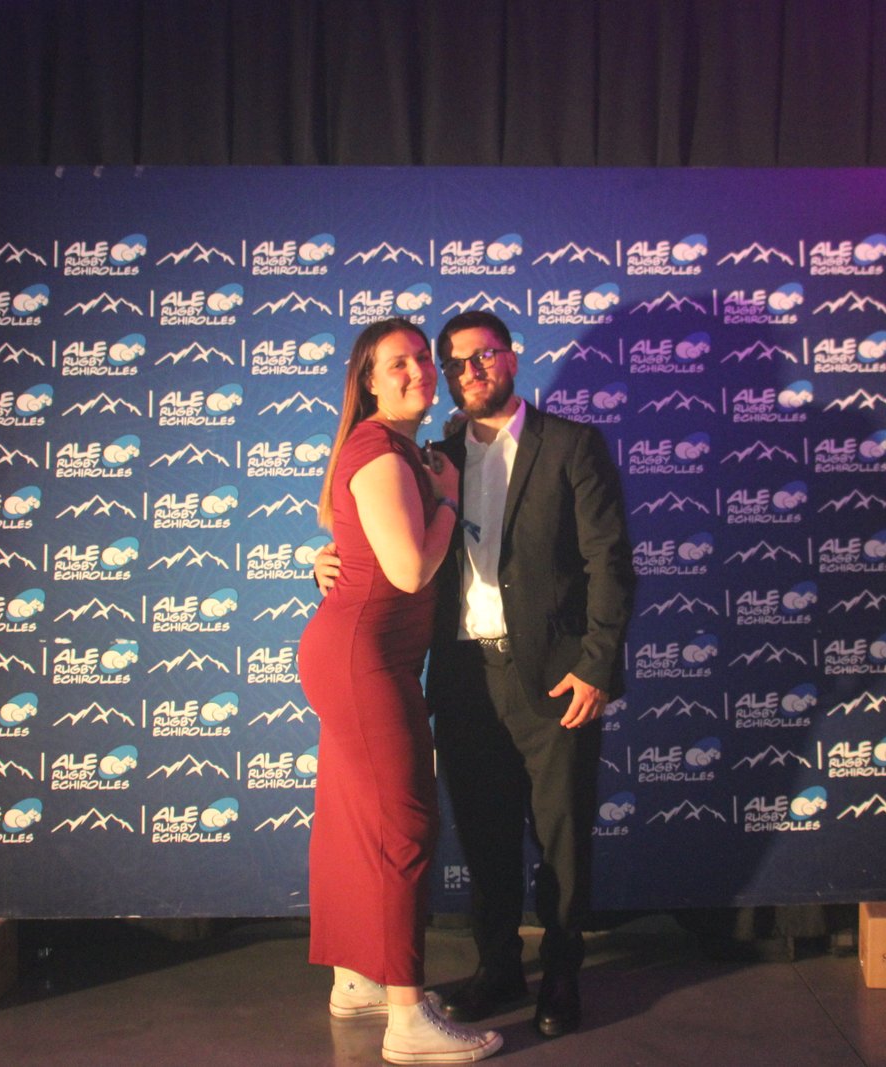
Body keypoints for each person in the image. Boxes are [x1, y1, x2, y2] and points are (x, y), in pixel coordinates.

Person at [316, 310, 635, 1039]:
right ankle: (498, 968)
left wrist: (595, 667)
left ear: (511, 358)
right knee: (485, 838)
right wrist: (325, 562)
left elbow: (610, 563)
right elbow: (380, 538)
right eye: (455, 361)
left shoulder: (571, 445)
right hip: (463, 677)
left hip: (555, 678)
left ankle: (562, 973)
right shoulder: (433, 454)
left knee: (562, 839)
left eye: (484, 355)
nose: (470, 371)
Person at [297, 317, 503, 1065]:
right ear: (369, 381)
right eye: (399, 364)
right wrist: (447, 503)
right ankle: (408, 1020)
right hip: (365, 662)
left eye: (422, 359)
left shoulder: (398, 448)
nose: (418, 371)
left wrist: (332, 559)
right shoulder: (382, 449)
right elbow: (411, 569)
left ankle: (358, 980)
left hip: (362, 656)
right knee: (402, 828)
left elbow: (355, 540)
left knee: (357, 824)